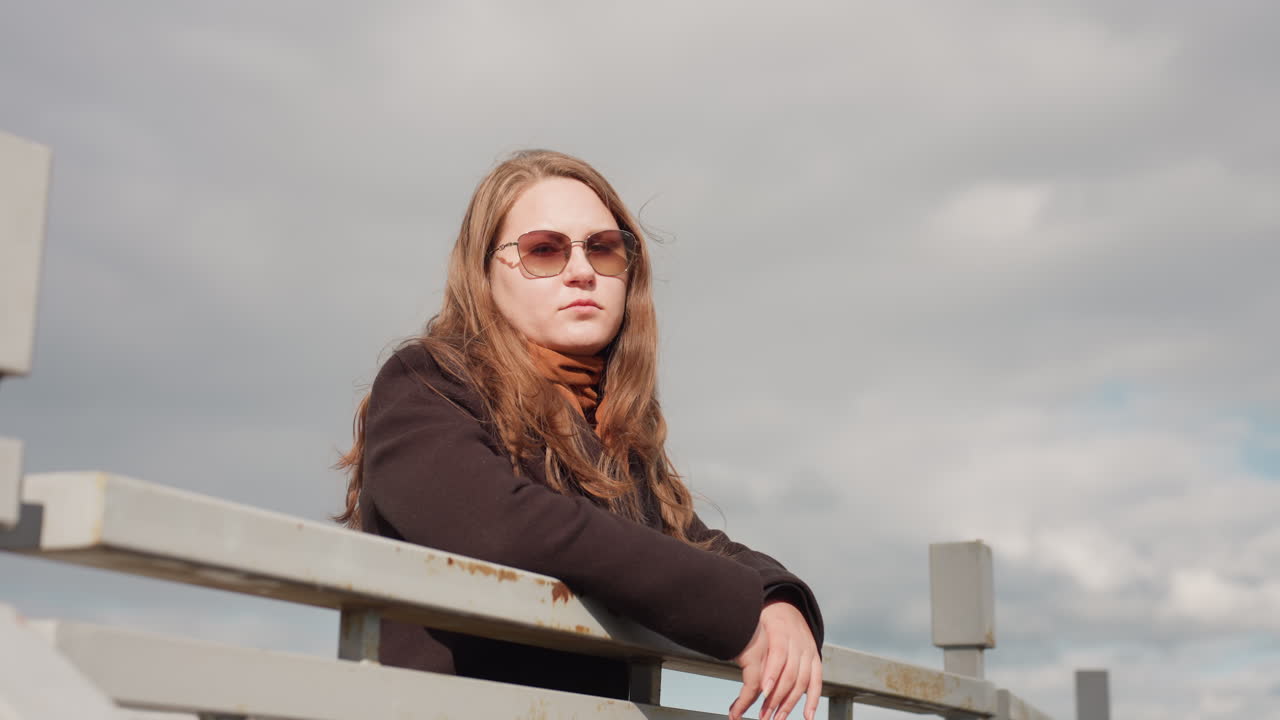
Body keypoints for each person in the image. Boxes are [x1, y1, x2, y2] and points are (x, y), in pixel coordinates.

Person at [336, 150, 824, 720]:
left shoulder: (614, 433)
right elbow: (502, 525)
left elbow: (686, 542)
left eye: (603, 247)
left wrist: (777, 597)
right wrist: (735, 610)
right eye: (544, 250)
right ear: (484, 274)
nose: (581, 270)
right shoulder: (427, 382)